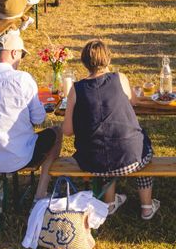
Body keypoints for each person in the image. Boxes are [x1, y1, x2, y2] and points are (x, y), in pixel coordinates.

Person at [0, 30, 62, 209]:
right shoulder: (22, 79)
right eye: (21, 55)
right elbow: (39, 118)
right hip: (20, 156)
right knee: (57, 132)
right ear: (14, 53)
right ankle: (40, 194)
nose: (20, 60)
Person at [63, 40, 160, 220]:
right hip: (131, 159)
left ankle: (109, 203)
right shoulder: (120, 78)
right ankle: (146, 207)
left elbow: (67, 131)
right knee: (140, 145)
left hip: (93, 162)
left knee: (103, 145)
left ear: (84, 62)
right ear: (108, 59)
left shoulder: (76, 90)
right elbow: (134, 101)